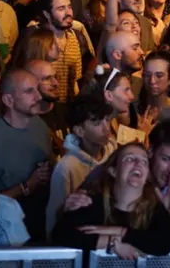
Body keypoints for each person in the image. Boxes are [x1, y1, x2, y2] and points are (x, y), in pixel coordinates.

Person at [51, 132, 170, 258]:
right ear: (113, 171)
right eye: (130, 159)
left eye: (144, 161)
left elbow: (165, 242)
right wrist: (112, 243)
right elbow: (61, 234)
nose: (138, 164)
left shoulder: (153, 206)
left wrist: (120, 232)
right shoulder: (93, 201)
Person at [0, 68, 54, 241]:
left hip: (41, 225)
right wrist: (25, 187)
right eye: (28, 91)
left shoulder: (39, 125)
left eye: (37, 90)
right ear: (8, 100)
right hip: (8, 234)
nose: (38, 97)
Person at [46, 97, 118, 237]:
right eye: (97, 123)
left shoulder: (114, 154)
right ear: (79, 131)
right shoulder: (67, 167)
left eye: (107, 120)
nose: (106, 128)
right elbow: (53, 215)